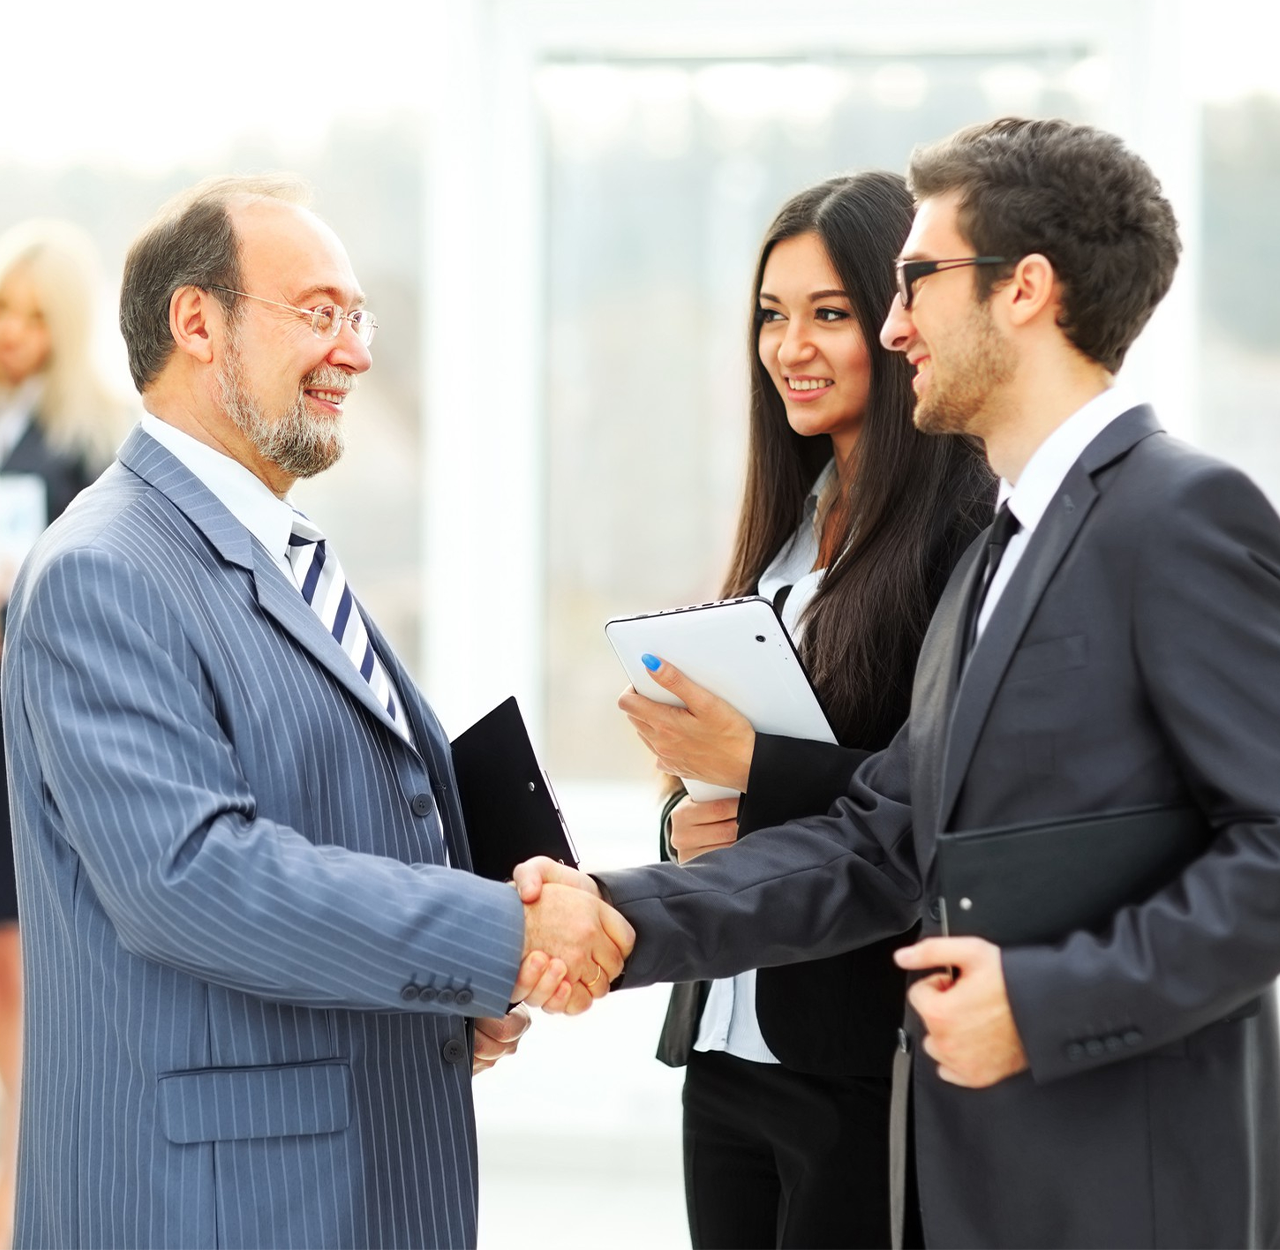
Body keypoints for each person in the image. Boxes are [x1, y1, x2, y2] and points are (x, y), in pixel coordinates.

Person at [517, 116, 1280, 1248]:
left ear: (1023, 290)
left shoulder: (1179, 516)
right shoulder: (994, 559)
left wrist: (1039, 1002)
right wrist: (617, 913)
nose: (891, 323)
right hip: (962, 1179)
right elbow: (882, 840)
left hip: (1119, 1187)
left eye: (915, 279)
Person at [1, 174, 632, 1250]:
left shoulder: (280, 550)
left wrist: (458, 985)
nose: (356, 350)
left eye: (359, 316)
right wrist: (498, 933)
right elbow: (194, 879)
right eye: (320, 312)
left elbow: (347, 809)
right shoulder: (103, 570)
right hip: (218, 1202)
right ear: (196, 322)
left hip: (347, 1164)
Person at [619, 171, 990, 1249]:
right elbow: (737, 786)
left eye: (827, 313)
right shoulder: (788, 532)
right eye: (771, 317)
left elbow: (947, 801)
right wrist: (685, 822)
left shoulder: (961, 537)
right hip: (727, 1043)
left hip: (856, 1055)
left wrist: (756, 763)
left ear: (897, 320)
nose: (791, 346)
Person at [0, 219, 128, 1249]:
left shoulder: (92, 448)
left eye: (32, 316)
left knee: (30, 979)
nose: (10, 333)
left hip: (36, 731)